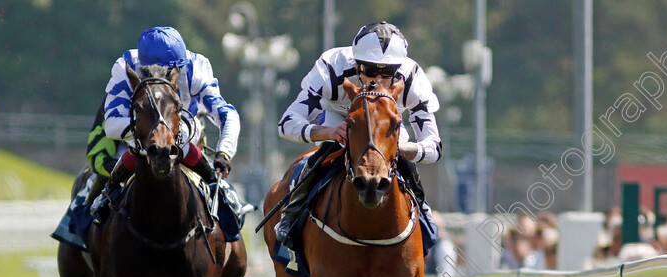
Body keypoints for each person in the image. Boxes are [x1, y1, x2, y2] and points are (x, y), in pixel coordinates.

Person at [274, 21, 442, 251]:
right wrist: (327, 131)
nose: (378, 81)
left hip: (384, 121)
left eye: (388, 73)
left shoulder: (411, 76)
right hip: (339, 118)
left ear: (398, 70)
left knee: (400, 158)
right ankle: (292, 212)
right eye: (370, 71)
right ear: (356, 64)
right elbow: (286, 123)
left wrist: (405, 149)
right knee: (327, 151)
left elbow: (434, 146)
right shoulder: (331, 67)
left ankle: (422, 210)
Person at [89, 26, 240, 219]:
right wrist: (152, 134)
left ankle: (228, 212)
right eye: (157, 71)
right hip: (135, 138)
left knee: (225, 197)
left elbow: (227, 115)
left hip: (186, 131)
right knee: (97, 181)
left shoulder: (196, 67)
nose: (165, 75)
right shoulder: (125, 66)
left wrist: (224, 151)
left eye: (171, 70)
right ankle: (83, 220)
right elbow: (111, 125)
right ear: (143, 67)